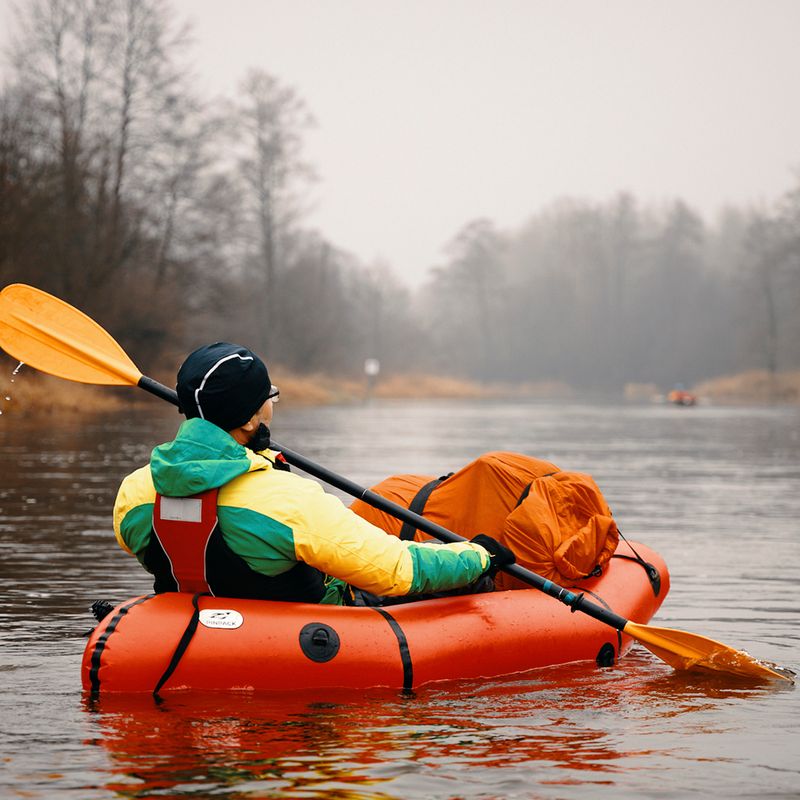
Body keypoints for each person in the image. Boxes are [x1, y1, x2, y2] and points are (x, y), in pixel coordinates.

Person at [113, 342, 515, 604]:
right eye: (269, 398)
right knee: (463, 585)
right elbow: (397, 572)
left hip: (188, 629)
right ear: (252, 418)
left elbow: (189, 526)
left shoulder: (134, 493)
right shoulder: (288, 500)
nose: (272, 405)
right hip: (300, 636)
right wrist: (477, 556)